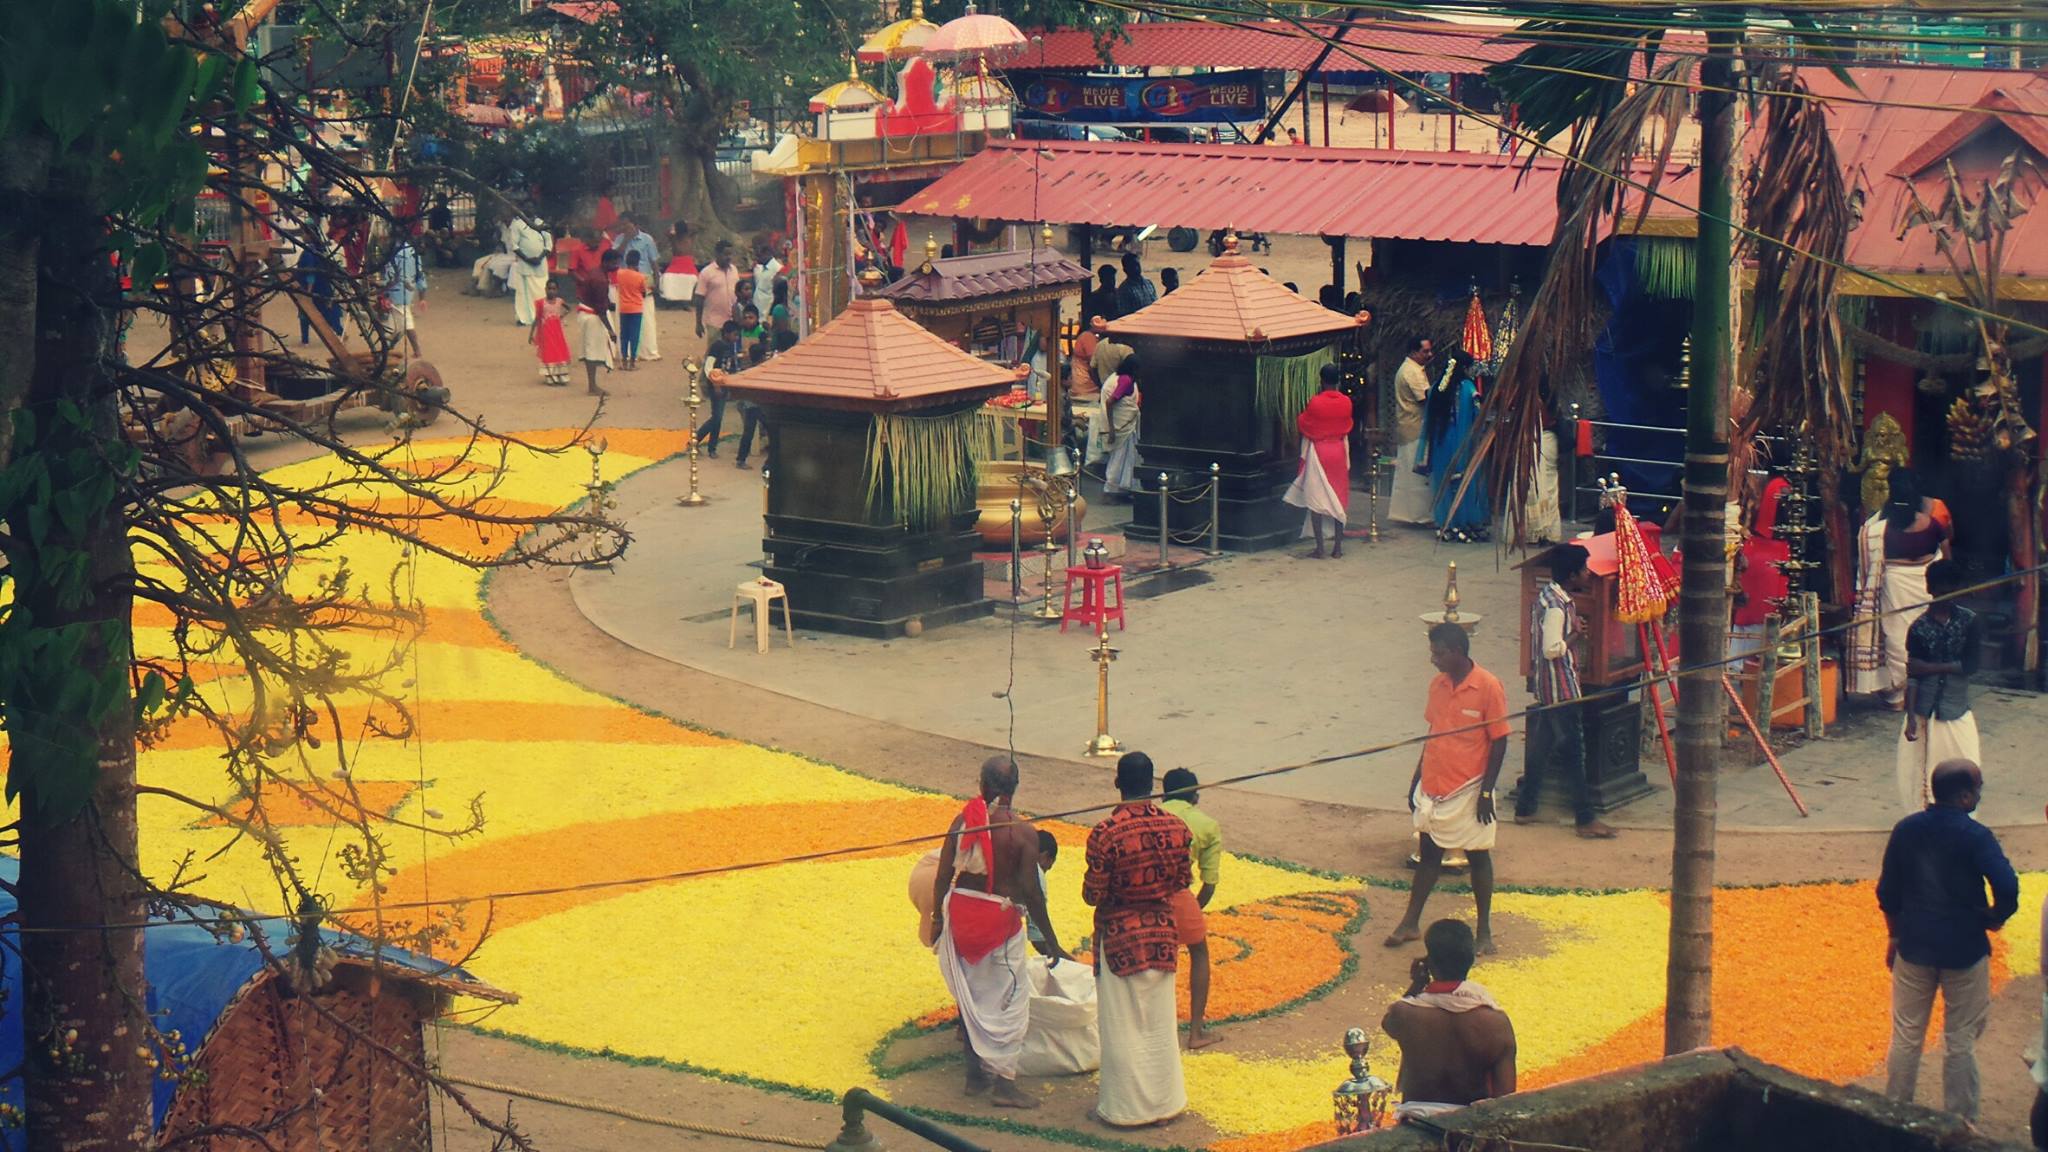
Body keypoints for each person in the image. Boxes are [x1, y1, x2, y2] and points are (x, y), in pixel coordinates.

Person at [1877, 759, 2018, 1121]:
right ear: (1965, 795)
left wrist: (1894, 935)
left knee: (1907, 1035)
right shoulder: (1976, 836)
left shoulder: (1906, 830)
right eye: (1979, 788)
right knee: (1960, 1042)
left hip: (1914, 946)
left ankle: (1894, 1113)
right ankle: (1960, 1122)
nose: (1980, 794)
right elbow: (2006, 885)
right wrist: (1995, 916)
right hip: (1964, 949)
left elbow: (1887, 893)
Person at [931, 757, 1071, 1109]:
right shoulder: (1023, 833)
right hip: (997, 920)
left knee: (971, 996)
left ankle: (975, 1076)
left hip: (960, 914)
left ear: (981, 783)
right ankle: (1005, 1087)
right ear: (1015, 788)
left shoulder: (964, 821)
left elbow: (943, 874)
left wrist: (936, 919)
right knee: (1011, 1003)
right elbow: (1030, 891)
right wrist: (1050, 940)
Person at [1387, 622, 1510, 954]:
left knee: (1478, 858)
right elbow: (1433, 732)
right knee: (1429, 856)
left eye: (1438, 653)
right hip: (1435, 785)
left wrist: (1486, 792)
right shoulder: (1437, 685)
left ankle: (1484, 931)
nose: (1433, 659)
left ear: (1457, 652)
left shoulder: (1488, 686)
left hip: (1470, 789)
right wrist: (1417, 780)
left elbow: (1499, 742)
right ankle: (1410, 922)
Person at [1084, 752, 1191, 1128]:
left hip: (1120, 938)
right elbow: (1182, 882)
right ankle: (1164, 1106)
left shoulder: (1105, 832)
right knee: (1159, 1024)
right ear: (1155, 784)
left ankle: (1127, 1110)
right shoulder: (1178, 828)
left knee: (1122, 1025)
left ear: (1117, 783)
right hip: (1161, 931)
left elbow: (1092, 893)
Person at [1516, 544, 1617, 838]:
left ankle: (1526, 806)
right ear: (1572, 575)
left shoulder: (1550, 596)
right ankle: (1584, 818)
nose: (1588, 574)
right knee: (1574, 750)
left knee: (1542, 746)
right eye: (1585, 569)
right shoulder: (1558, 607)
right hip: (1560, 685)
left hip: (1549, 686)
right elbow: (1551, 649)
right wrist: (1576, 635)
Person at [1381, 919, 1516, 1119]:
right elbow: (1505, 1099)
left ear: (1429, 962)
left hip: (1417, 1126)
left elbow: (1388, 1024)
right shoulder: (1497, 1023)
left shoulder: (1404, 1014)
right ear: (1471, 960)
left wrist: (1416, 985)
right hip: (1471, 1130)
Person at [1898, 561, 1982, 813]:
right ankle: (1921, 818)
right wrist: (1911, 715)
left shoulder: (1969, 622)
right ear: (1929, 587)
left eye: (1949, 587)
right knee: (1918, 772)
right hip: (1924, 710)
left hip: (1955, 710)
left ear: (1957, 588)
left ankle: (1964, 820)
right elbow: (1912, 674)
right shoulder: (1919, 628)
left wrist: (1930, 667)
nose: (1944, 592)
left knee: (1966, 765)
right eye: (1938, 587)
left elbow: (1971, 665)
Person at [1868, 469, 1953, 709]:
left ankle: (1898, 697)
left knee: (1896, 637)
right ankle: (1925, 691)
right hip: (1926, 584)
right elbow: (1946, 557)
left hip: (1894, 584)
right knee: (1926, 636)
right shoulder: (1933, 524)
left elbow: (1868, 554)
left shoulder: (1877, 526)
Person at [1160, 768, 1223, 1051]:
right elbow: (1209, 884)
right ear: (1195, 795)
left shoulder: (1152, 814)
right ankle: (1196, 1032)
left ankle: (1158, 1027)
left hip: (1142, 896)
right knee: (1199, 953)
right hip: (1180, 894)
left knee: (1157, 960)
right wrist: (1191, 911)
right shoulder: (1207, 825)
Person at [1284, 363, 1354, 559]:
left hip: (1320, 450)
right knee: (1339, 498)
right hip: (1339, 450)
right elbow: (1348, 424)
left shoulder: (1315, 402)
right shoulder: (1346, 401)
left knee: (1316, 499)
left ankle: (1320, 548)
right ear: (1337, 380)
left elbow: (1304, 423)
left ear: (1321, 381)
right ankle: (1338, 547)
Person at [1423, 356, 1489, 542]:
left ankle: (1445, 524)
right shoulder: (1468, 388)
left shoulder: (1438, 387)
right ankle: (1462, 522)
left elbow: (1429, 417)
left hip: (1440, 441)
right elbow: (1479, 413)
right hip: (1461, 443)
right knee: (1462, 482)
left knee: (1443, 482)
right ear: (1465, 368)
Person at [1389, 336, 1436, 526]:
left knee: (1407, 474)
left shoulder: (1410, 369)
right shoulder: (1412, 372)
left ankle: (1408, 514)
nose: (1429, 355)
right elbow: (1425, 399)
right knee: (1417, 475)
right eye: (1425, 351)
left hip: (1409, 426)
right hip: (1416, 428)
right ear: (1413, 352)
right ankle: (1419, 516)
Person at [611, 215, 663, 361]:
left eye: (627, 226)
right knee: (625, 317)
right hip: (625, 280)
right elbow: (616, 257)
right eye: (622, 226)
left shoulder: (647, 240)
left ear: (636, 225)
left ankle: (648, 351)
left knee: (646, 316)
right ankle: (625, 352)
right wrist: (626, 239)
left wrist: (658, 281)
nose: (624, 229)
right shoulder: (619, 239)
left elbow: (654, 262)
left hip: (644, 279)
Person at [573, 249, 617, 396]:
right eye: (614, 262)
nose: (617, 265)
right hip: (593, 317)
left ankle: (593, 384)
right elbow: (600, 309)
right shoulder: (600, 279)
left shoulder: (595, 272)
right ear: (606, 262)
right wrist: (610, 330)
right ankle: (592, 386)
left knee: (589, 349)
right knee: (592, 351)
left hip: (587, 311)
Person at [696, 320, 742, 454]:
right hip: (716, 386)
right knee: (716, 418)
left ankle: (711, 447)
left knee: (717, 418)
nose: (736, 338)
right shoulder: (717, 346)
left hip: (724, 385)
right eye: (735, 335)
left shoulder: (730, 346)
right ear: (726, 334)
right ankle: (697, 441)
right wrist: (715, 384)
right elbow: (709, 366)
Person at [1100, 354, 1142, 500]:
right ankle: (1111, 491)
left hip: (1124, 425)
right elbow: (1110, 402)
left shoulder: (1116, 377)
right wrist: (1111, 428)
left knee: (1126, 457)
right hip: (1121, 426)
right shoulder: (1125, 380)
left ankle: (1122, 490)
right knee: (1119, 458)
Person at [381, 234, 427, 359]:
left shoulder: (393, 253)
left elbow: (390, 274)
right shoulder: (413, 252)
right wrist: (422, 297)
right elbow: (420, 274)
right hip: (408, 292)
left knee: (403, 324)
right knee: (397, 322)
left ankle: (389, 349)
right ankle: (388, 349)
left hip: (395, 291)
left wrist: (384, 291)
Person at [506, 213, 552, 326]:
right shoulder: (517, 224)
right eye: (526, 207)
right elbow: (514, 245)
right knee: (523, 293)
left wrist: (540, 258)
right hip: (525, 265)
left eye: (531, 207)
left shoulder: (541, 223)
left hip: (540, 265)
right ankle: (524, 318)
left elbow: (549, 244)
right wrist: (527, 259)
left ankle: (542, 316)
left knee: (541, 291)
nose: (529, 209)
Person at [695, 240, 741, 341]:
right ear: (717, 254)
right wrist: (698, 323)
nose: (729, 257)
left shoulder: (734, 270)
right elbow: (699, 299)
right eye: (725, 254)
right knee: (714, 351)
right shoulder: (706, 273)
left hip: (733, 321)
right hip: (715, 322)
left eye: (730, 254)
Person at [1025, 829, 1061, 957]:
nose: (1046, 871)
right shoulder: (1036, 873)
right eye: (1048, 867)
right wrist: (1068, 960)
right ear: (1045, 856)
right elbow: (1038, 940)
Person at [734, 342, 769, 469]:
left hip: (750, 405)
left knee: (749, 432)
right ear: (762, 357)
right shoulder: (760, 371)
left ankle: (741, 459)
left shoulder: (747, 369)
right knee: (768, 429)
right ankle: (741, 459)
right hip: (755, 406)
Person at [531, 278, 572, 387]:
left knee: (559, 352)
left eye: (554, 289)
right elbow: (537, 319)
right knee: (548, 353)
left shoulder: (559, 301)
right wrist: (531, 334)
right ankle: (549, 376)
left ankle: (561, 375)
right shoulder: (541, 303)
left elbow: (569, 308)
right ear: (545, 289)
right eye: (549, 289)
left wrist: (561, 317)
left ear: (557, 290)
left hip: (557, 332)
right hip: (546, 333)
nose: (551, 291)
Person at [613, 250, 650, 370]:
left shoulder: (620, 273)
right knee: (634, 336)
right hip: (636, 308)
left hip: (624, 308)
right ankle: (632, 362)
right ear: (638, 262)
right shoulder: (640, 277)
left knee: (624, 336)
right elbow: (644, 293)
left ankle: (624, 361)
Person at [751, 239, 785, 320]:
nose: (758, 259)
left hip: (768, 312)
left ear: (767, 254)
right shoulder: (758, 268)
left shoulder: (778, 269)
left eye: (760, 256)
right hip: (757, 311)